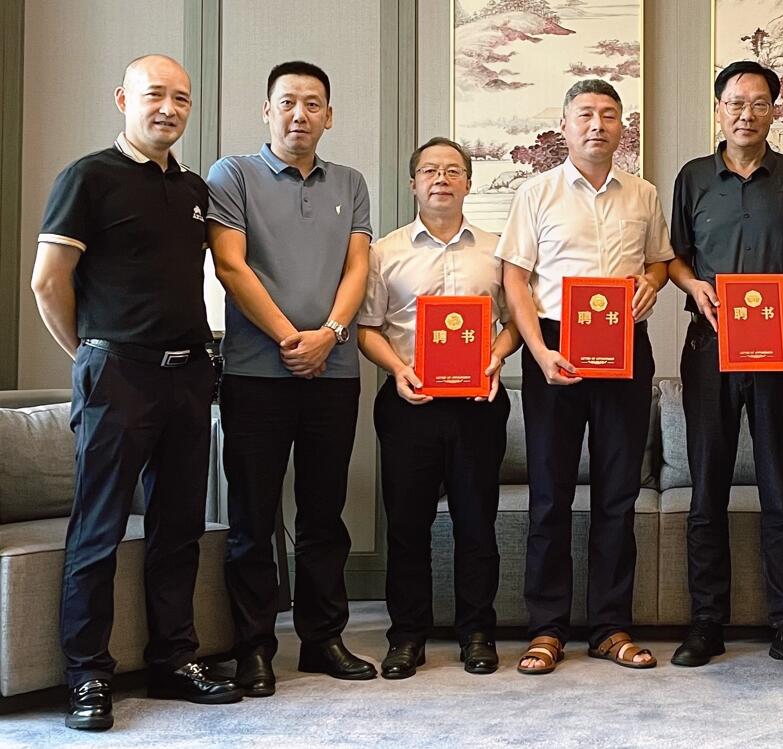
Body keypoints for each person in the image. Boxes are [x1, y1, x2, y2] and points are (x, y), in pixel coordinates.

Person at [31, 54, 243, 731]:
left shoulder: (193, 189)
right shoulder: (88, 176)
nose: (169, 109)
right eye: (155, 95)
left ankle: (173, 659)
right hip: (117, 375)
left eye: (181, 98)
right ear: (124, 99)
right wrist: (90, 354)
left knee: (179, 528)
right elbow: (47, 281)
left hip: (189, 375)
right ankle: (88, 675)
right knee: (98, 528)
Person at [206, 61, 375, 694]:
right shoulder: (232, 174)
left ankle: (322, 639)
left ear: (329, 115)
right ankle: (253, 647)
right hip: (256, 373)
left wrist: (328, 334)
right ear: (267, 110)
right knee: (253, 517)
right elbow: (231, 266)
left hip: (334, 372)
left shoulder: (350, 182)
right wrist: (288, 338)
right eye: (287, 102)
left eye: (312, 104)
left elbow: (357, 268)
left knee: (324, 513)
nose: (299, 114)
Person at [497, 79, 673, 674]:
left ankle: (609, 627)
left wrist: (650, 284)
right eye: (585, 115)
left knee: (618, 494)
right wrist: (538, 352)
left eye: (609, 115)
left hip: (624, 346)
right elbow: (515, 279)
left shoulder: (643, 193)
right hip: (553, 346)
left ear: (623, 126)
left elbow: (659, 261)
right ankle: (546, 628)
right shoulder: (537, 192)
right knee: (550, 494)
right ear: (565, 126)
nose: (597, 125)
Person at [667, 61, 783, 671]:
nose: (746, 114)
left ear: (774, 111)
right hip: (709, 349)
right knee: (706, 488)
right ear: (718, 110)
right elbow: (674, 257)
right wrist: (693, 286)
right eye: (735, 103)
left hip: (778, 350)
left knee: (778, 488)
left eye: (759, 103)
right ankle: (706, 623)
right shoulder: (692, 178)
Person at [356, 137, 520, 678]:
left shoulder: (497, 250)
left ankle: (477, 632)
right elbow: (368, 329)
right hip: (410, 404)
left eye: (453, 170)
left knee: (477, 525)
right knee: (407, 527)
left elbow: (517, 322)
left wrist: (494, 358)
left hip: (477, 404)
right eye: (429, 171)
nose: (441, 179)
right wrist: (397, 370)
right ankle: (407, 636)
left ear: (469, 182)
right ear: (413, 184)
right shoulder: (385, 252)